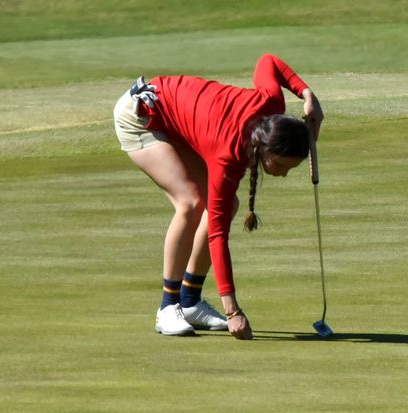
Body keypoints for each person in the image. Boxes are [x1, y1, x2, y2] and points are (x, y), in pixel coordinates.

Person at [113, 54, 323, 339]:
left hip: (174, 116)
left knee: (224, 205)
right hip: (140, 113)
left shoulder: (272, 104)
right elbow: (218, 238)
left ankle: (189, 302)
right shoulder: (227, 155)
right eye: (283, 166)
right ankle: (167, 306)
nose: (284, 174)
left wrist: (306, 93)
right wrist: (232, 310)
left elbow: (267, 62)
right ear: (265, 150)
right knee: (191, 202)